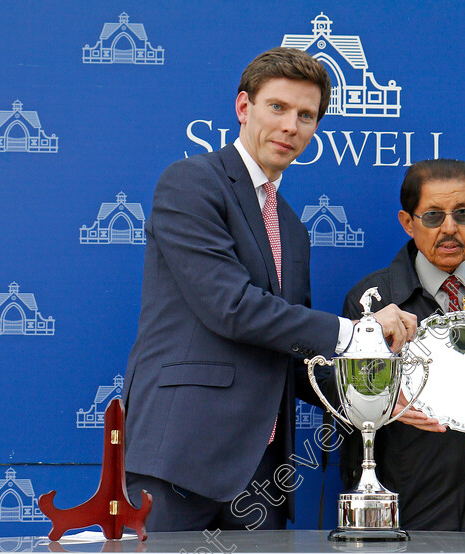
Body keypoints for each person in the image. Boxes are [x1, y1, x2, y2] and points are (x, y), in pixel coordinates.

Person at [121, 47, 416, 532]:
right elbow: (231, 307)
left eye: (306, 115)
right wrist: (361, 333)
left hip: (262, 471)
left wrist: (379, 396)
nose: (290, 126)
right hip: (181, 453)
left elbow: (294, 353)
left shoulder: (293, 227)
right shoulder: (191, 183)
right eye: (277, 107)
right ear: (243, 108)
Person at [339, 158, 465, 531]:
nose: (449, 229)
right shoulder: (370, 301)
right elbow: (346, 403)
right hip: (409, 499)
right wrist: (378, 401)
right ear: (407, 222)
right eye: (432, 217)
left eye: (462, 214)